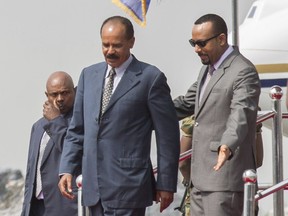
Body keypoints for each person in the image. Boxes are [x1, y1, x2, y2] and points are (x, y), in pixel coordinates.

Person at [58, 16, 180, 216]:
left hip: (129, 187)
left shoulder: (150, 78)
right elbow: (76, 129)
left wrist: (166, 184)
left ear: (131, 42)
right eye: (105, 45)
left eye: (116, 45)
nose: (110, 51)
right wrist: (67, 168)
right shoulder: (88, 76)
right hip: (93, 188)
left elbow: (167, 136)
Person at [173, 14, 261, 216]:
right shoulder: (208, 70)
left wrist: (227, 144)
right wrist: (146, 114)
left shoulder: (242, 71)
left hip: (225, 179)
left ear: (221, 39)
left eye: (201, 43)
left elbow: (242, 113)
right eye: (193, 43)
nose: (196, 49)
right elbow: (187, 103)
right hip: (200, 181)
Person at [21, 71, 79, 216]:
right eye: (54, 94)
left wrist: (55, 122)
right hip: (37, 207)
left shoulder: (80, 122)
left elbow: (74, 153)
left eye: (65, 93)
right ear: (47, 96)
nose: (59, 99)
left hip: (64, 206)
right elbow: (31, 174)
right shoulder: (38, 126)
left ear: (75, 92)